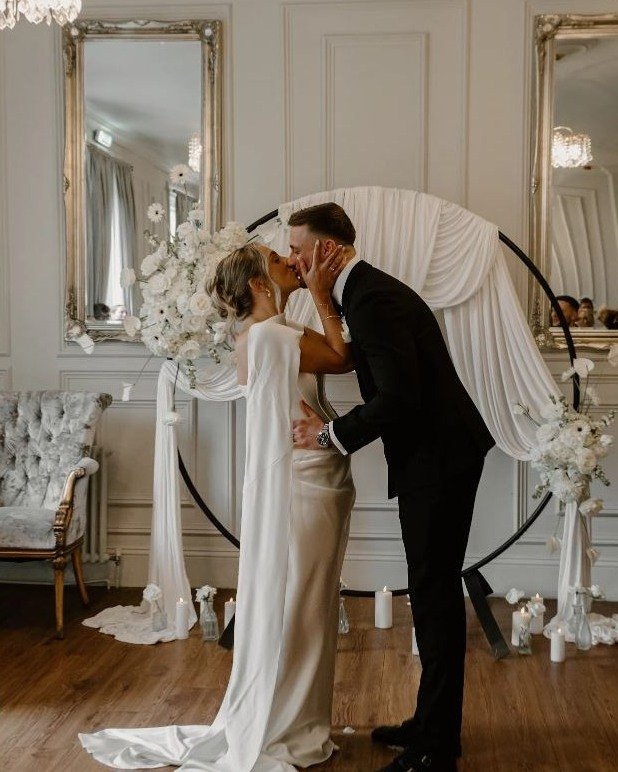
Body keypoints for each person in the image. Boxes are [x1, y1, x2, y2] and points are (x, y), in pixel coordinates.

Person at [79, 242, 356, 771]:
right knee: (303, 605)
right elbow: (344, 357)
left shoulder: (255, 337)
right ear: (257, 283)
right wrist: (322, 294)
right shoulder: (278, 335)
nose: (289, 264)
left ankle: (290, 713)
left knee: (299, 600)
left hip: (307, 476)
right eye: (278, 261)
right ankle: (289, 722)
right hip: (308, 481)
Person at [289, 202, 495, 772]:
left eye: (300, 251)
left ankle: (437, 746)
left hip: (440, 458)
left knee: (433, 596)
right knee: (430, 591)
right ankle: (430, 724)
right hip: (440, 453)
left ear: (328, 250)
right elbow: (369, 366)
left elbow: (398, 398)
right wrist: (324, 300)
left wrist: (329, 434)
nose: (294, 262)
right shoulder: (363, 291)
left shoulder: (374, 298)